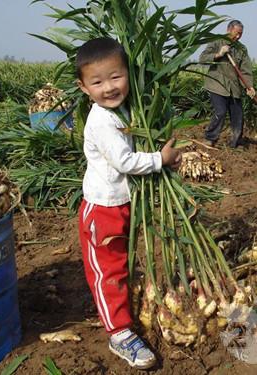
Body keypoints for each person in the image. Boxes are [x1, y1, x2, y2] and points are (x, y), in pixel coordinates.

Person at [75, 37, 181, 369]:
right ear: (83, 87)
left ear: (129, 76)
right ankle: (119, 333)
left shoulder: (123, 111)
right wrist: (160, 159)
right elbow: (124, 161)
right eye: (97, 81)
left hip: (121, 203)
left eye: (116, 77)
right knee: (108, 271)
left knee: (120, 265)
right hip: (102, 209)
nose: (108, 87)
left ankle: (122, 315)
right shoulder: (102, 120)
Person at [199, 19, 256, 148]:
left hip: (234, 87)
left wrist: (249, 86)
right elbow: (202, 59)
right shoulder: (217, 41)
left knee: (238, 115)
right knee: (220, 111)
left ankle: (235, 143)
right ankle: (210, 138)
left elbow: (245, 70)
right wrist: (219, 54)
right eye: (236, 33)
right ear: (228, 30)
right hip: (217, 84)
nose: (238, 36)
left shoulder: (241, 49)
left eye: (240, 34)